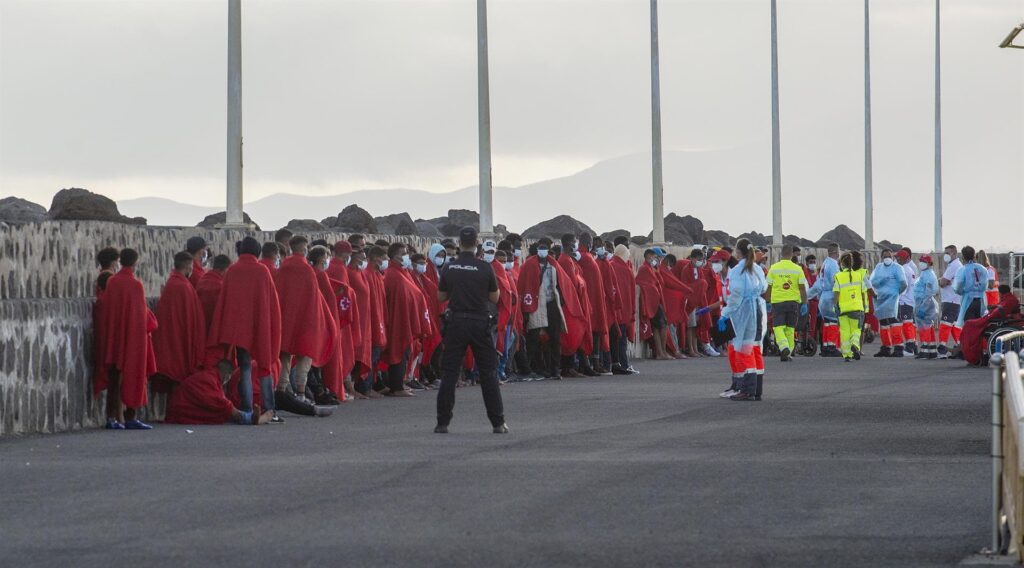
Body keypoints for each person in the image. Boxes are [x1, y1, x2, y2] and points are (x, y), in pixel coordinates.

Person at [435, 227, 507, 434]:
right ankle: (498, 423)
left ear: (459, 243)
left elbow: (441, 297)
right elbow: (494, 298)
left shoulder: (450, 268)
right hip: (479, 322)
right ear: (477, 244)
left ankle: (442, 423)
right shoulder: (485, 268)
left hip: (456, 322)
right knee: (488, 374)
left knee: (449, 374)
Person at [208, 237, 282, 422]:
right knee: (265, 367)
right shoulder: (262, 270)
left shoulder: (233, 270)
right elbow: (271, 303)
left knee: (245, 368)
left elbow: (227, 301)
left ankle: (248, 408)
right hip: (260, 326)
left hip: (239, 329)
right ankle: (269, 409)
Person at [274, 235, 338, 411]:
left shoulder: (283, 267)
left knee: (285, 355)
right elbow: (314, 298)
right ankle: (301, 393)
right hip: (305, 320)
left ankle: (281, 391)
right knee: (305, 356)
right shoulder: (306, 269)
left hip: (285, 320)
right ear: (304, 250)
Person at [99, 248, 158, 429]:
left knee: (114, 377)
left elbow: (110, 310)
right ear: (134, 263)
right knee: (134, 374)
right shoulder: (136, 284)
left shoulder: (113, 283)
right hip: (133, 337)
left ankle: (111, 417)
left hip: (116, 335)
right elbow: (141, 313)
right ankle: (130, 415)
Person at [518, 237, 584, 379]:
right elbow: (524, 285)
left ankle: (555, 370)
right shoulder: (529, 265)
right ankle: (528, 369)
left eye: (545, 248)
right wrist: (525, 308)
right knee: (533, 338)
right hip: (536, 304)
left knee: (554, 338)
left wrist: (563, 300)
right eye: (541, 248)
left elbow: (563, 282)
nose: (543, 251)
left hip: (552, 303)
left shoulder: (553, 264)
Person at [718, 239, 767, 401]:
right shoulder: (757, 268)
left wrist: (725, 314)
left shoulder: (738, 270)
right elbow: (764, 287)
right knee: (754, 348)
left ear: (738, 252)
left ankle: (747, 389)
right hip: (758, 309)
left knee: (744, 349)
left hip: (745, 313)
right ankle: (757, 388)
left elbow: (735, 297)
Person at [151, 251, 207, 392]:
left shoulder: (171, 284)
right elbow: (191, 320)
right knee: (178, 379)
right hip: (180, 343)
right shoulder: (184, 287)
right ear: (189, 267)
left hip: (169, 341)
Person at [165, 363, 273, 425]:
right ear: (227, 375)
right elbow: (215, 400)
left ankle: (248, 417)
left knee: (221, 409)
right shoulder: (208, 379)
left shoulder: (211, 378)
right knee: (222, 406)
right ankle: (247, 418)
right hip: (179, 410)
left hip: (182, 407)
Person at [381, 242, 424, 397]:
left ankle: (400, 384)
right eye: (403, 253)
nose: (406, 256)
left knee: (404, 352)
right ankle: (396, 386)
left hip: (405, 319)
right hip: (397, 321)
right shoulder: (393, 274)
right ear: (395, 256)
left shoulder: (402, 273)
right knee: (398, 351)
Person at [308, 245, 346, 405]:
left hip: (314, 321)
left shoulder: (312, 274)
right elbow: (327, 299)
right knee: (315, 361)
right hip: (320, 323)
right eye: (326, 256)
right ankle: (319, 392)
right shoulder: (319, 275)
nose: (328, 259)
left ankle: (319, 390)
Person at [765, 244, 808, 362]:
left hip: (778, 302)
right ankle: (788, 351)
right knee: (790, 328)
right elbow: (802, 288)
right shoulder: (797, 269)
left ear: (781, 254)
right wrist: (804, 303)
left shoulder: (773, 268)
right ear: (792, 254)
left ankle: (783, 347)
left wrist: (767, 301)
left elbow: (768, 287)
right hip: (793, 303)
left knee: (778, 327)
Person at [93, 247, 120, 409]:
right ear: (112, 262)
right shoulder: (109, 277)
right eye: (116, 261)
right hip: (108, 324)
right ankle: (116, 415)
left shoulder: (104, 276)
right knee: (115, 373)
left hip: (103, 321)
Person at [868, 249, 909, 357]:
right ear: (881, 257)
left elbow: (904, 284)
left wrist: (896, 293)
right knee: (883, 324)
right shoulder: (878, 267)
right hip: (880, 299)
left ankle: (898, 347)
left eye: (889, 256)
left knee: (894, 322)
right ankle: (886, 347)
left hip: (892, 299)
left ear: (892, 257)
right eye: (885, 256)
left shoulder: (897, 268)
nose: (887, 258)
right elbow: (872, 281)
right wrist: (880, 282)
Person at [636, 248, 671, 360]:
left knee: (657, 327)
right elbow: (646, 284)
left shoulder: (651, 268)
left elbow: (659, 282)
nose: (657, 260)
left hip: (656, 300)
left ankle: (661, 352)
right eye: (655, 257)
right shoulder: (644, 268)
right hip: (653, 302)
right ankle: (661, 352)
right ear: (649, 257)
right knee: (661, 326)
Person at [834, 252, 868, 362]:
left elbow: (836, 294)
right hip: (857, 308)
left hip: (843, 309)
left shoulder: (838, 276)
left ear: (841, 264)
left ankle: (847, 354)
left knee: (844, 332)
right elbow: (863, 293)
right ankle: (855, 344)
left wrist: (835, 307)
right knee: (856, 330)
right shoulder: (859, 276)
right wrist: (864, 306)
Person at [808, 243, 842, 357]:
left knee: (827, 322)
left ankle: (826, 347)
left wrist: (807, 296)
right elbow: (836, 281)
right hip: (831, 295)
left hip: (823, 297)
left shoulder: (824, 264)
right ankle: (832, 347)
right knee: (833, 322)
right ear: (836, 251)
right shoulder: (833, 265)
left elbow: (818, 284)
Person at [609, 244, 638, 374]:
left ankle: (614, 363)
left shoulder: (610, 265)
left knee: (613, 339)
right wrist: (632, 310)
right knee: (621, 339)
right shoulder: (626, 269)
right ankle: (623, 364)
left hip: (612, 309)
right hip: (624, 310)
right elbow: (631, 293)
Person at [952, 246, 993, 329]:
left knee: (969, 325)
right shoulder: (983, 269)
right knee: (980, 325)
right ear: (974, 255)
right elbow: (986, 284)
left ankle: (969, 341)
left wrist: (962, 291)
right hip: (981, 300)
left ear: (962, 257)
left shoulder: (963, 269)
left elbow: (957, 286)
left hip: (968, 301)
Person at [937, 245, 963, 358]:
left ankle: (942, 348)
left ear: (954, 253)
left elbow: (942, 282)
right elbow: (945, 281)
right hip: (955, 300)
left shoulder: (954, 266)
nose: (945, 255)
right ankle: (960, 347)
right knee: (954, 326)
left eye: (948, 253)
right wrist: (944, 281)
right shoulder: (956, 265)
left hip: (950, 300)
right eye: (945, 253)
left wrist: (941, 281)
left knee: (945, 324)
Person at [912, 255, 941, 359]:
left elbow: (929, 293)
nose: (921, 263)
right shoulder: (925, 273)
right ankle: (932, 350)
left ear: (929, 263)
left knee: (924, 326)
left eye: (923, 261)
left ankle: (925, 350)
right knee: (928, 325)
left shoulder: (928, 275)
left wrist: (923, 307)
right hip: (923, 302)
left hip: (924, 302)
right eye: (920, 261)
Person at [196, 254, 231, 331]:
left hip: (199, 326)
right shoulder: (220, 287)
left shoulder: (202, 280)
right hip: (213, 329)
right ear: (225, 269)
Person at [895, 249, 919, 356]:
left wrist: (897, 296)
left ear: (902, 259)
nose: (896, 259)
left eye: (898, 257)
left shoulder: (902, 270)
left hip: (904, 300)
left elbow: (903, 286)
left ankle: (909, 348)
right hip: (910, 300)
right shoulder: (910, 269)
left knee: (906, 324)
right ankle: (913, 345)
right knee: (909, 323)